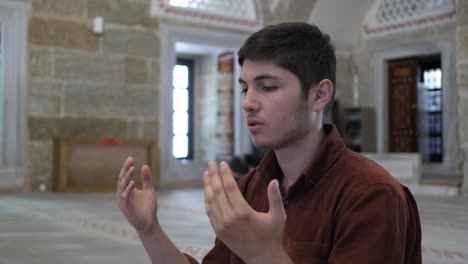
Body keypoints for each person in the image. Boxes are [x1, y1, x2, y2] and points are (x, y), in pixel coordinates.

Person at [116, 22, 422, 263]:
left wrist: (263, 254)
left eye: (267, 87)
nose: (248, 103)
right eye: (245, 88)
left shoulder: (370, 196)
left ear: (319, 94)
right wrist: (149, 230)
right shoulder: (251, 187)